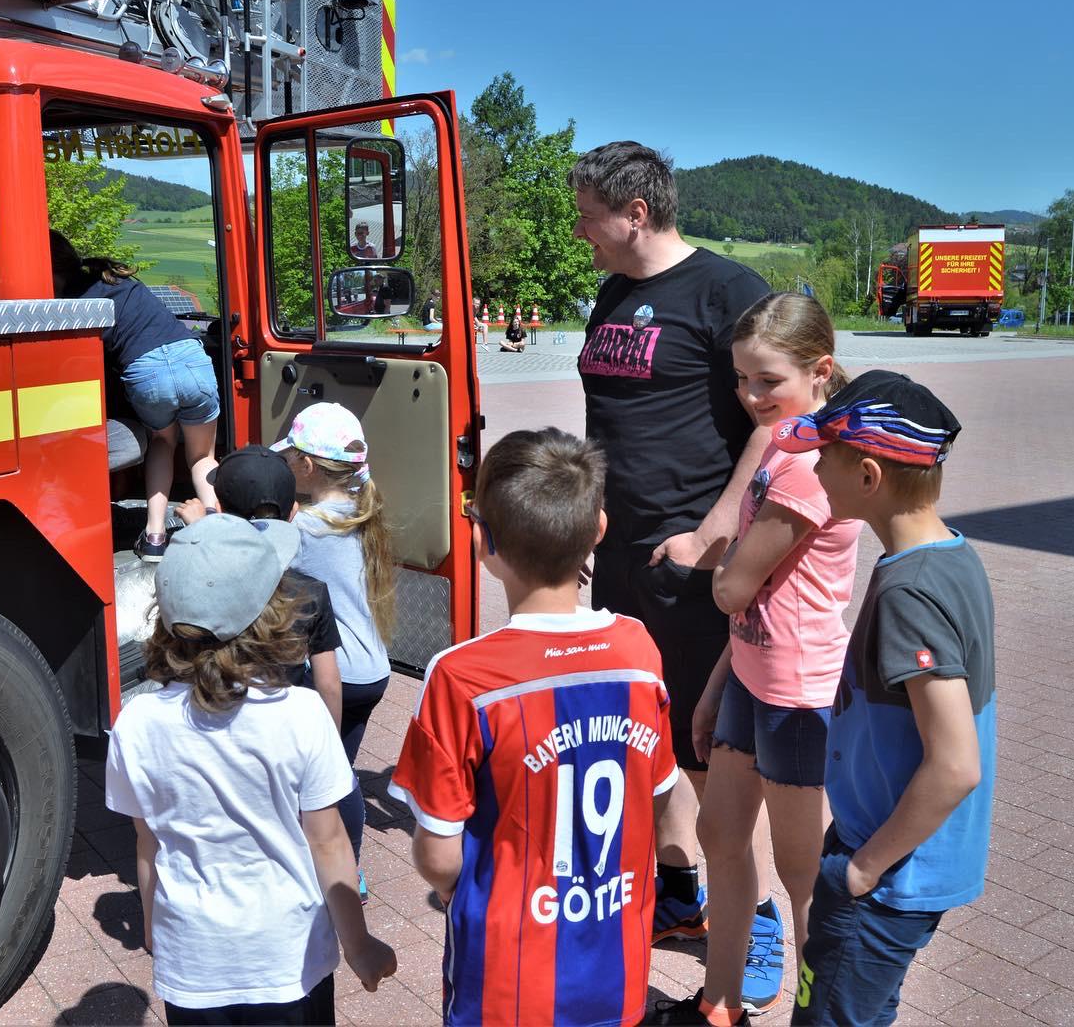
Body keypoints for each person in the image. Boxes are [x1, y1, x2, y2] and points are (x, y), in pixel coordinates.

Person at [568, 141, 776, 991]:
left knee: (706, 744)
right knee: (637, 733)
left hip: (690, 559)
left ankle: (753, 918)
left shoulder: (728, 291)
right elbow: (601, 415)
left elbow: (780, 417)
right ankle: (679, 890)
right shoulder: (615, 292)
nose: (583, 233)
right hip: (618, 554)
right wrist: (582, 518)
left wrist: (713, 532)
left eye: (590, 217)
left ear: (636, 214)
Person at [388, 428, 681, 1026]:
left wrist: (455, 893)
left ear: (482, 541)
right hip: (616, 963)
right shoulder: (638, 649)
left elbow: (439, 854)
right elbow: (662, 791)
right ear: (598, 528)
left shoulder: (462, 676)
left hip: (505, 978)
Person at [105, 514, 397, 1024]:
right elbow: (329, 844)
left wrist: (154, 929)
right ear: (272, 616)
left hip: (191, 962)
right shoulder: (302, 716)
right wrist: (358, 944)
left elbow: (147, 841)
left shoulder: (137, 724)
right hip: (290, 957)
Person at [771, 371, 995, 1026]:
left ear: (869, 476)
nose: (812, 468)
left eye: (822, 456)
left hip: (889, 872)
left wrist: (861, 870)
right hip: (894, 853)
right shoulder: (949, 556)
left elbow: (955, 763)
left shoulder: (909, 593)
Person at [666, 294, 863, 1025]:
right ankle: (718, 1003)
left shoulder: (810, 466)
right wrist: (720, 681)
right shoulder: (782, 443)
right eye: (741, 379)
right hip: (752, 678)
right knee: (720, 835)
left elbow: (733, 586)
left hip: (798, 693)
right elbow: (749, 602)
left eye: (766, 381)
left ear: (820, 371)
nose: (750, 397)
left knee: (801, 871)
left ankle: (818, 1014)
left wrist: (713, 577)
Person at [271, 403, 396, 902]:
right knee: (340, 771)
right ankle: (348, 870)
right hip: (372, 670)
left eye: (291, 458)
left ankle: (336, 872)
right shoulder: (359, 512)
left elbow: (263, 556)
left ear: (308, 466)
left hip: (335, 674)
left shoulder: (306, 530)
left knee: (326, 779)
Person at [50, 230, 219, 562]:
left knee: (162, 443)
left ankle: (155, 537)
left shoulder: (70, 306)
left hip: (146, 373)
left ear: (52, 271)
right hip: (191, 358)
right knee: (201, 457)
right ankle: (216, 532)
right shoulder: (113, 278)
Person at [176, 445, 343, 727]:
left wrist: (199, 529)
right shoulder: (310, 593)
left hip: (218, 723)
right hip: (283, 728)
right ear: (293, 513)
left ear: (218, 510)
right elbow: (328, 684)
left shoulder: (198, 584)